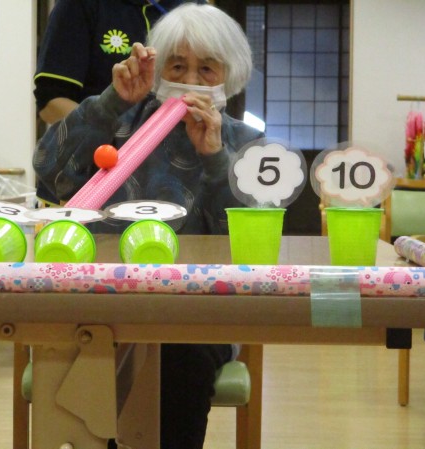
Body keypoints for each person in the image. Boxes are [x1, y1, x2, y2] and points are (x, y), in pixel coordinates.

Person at [33, 4, 262, 448]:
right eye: (177, 66)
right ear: (158, 71)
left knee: (177, 355)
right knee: (85, 350)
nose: (191, 80)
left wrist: (215, 159)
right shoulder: (120, 121)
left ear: (229, 75)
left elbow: (250, 242)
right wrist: (110, 101)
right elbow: (48, 172)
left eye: (206, 69)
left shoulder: (246, 143)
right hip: (107, 303)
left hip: (202, 313)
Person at [34, 0, 207, 125]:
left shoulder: (196, 7)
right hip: (101, 157)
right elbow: (51, 102)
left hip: (183, 157)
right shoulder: (80, 5)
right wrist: (115, 138)